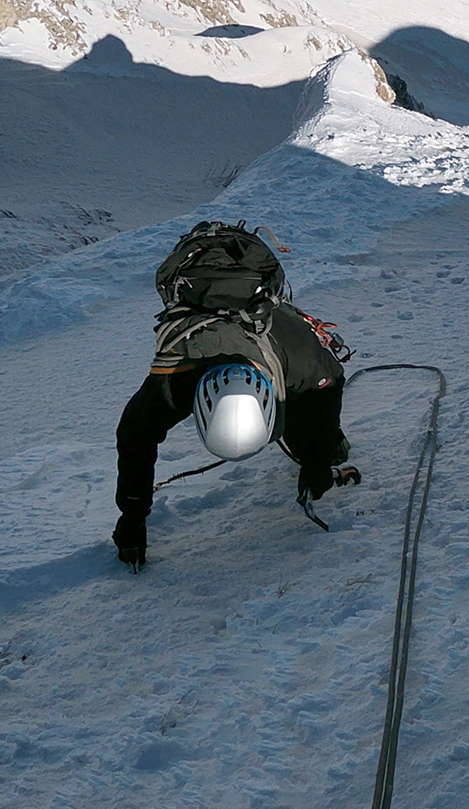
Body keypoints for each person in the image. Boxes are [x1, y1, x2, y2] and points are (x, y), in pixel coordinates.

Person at [112, 222, 351, 571]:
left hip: (280, 361)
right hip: (230, 356)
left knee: (312, 421)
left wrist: (319, 459)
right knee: (314, 429)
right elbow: (134, 436)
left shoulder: (299, 353)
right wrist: (132, 516)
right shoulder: (178, 374)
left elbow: (329, 386)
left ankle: (318, 447)